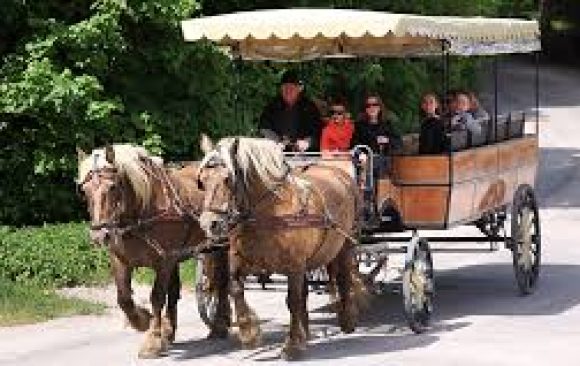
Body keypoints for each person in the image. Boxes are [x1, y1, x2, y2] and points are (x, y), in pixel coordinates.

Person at [258, 70, 322, 152]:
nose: (288, 91)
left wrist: (307, 142)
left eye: (292, 88)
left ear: (300, 89)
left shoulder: (309, 108)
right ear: (281, 89)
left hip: (305, 155)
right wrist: (277, 141)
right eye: (285, 87)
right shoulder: (272, 107)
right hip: (277, 153)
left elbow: (318, 132)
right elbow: (264, 129)